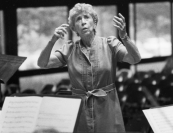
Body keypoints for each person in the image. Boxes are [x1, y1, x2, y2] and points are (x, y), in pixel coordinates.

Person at [37, 3, 141, 133]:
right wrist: (52, 41)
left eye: (87, 17)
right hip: (80, 109)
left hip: (107, 107)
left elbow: (135, 59)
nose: (83, 22)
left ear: (95, 22)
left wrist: (124, 37)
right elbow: (42, 64)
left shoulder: (110, 44)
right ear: (74, 28)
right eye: (78, 19)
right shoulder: (69, 49)